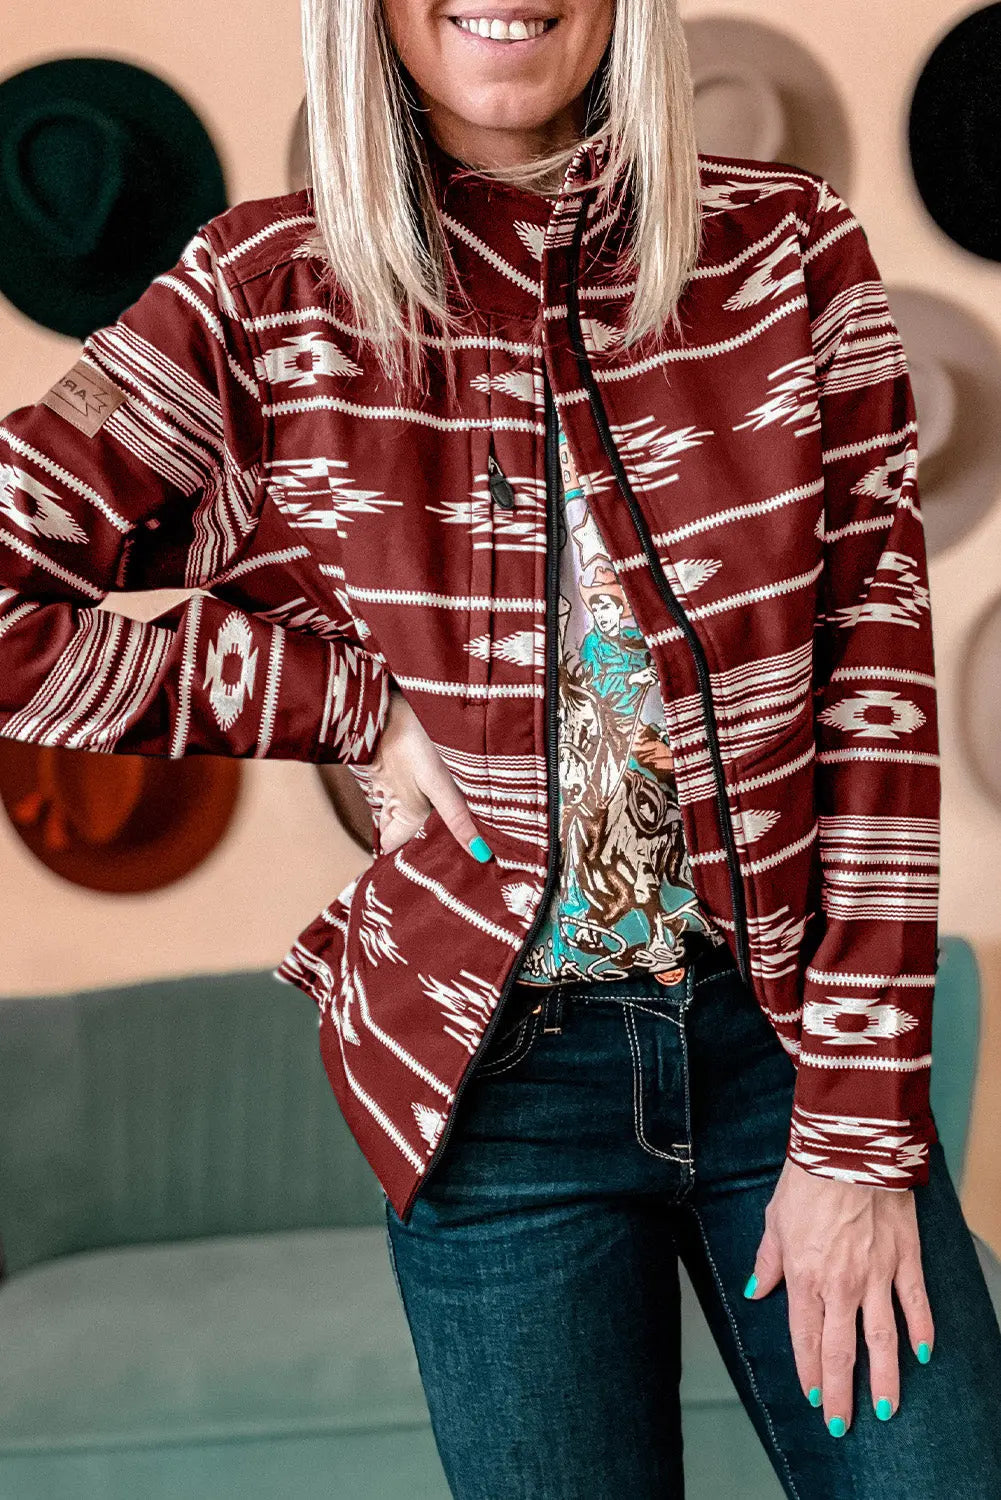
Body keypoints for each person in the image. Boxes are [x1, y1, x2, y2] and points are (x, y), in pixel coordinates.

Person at [2, 1, 1000, 1495]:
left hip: (788, 1047)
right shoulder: (257, 296)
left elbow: (878, 694)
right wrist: (343, 705)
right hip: (493, 1084)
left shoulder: (789, 251)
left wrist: (855, 1140)